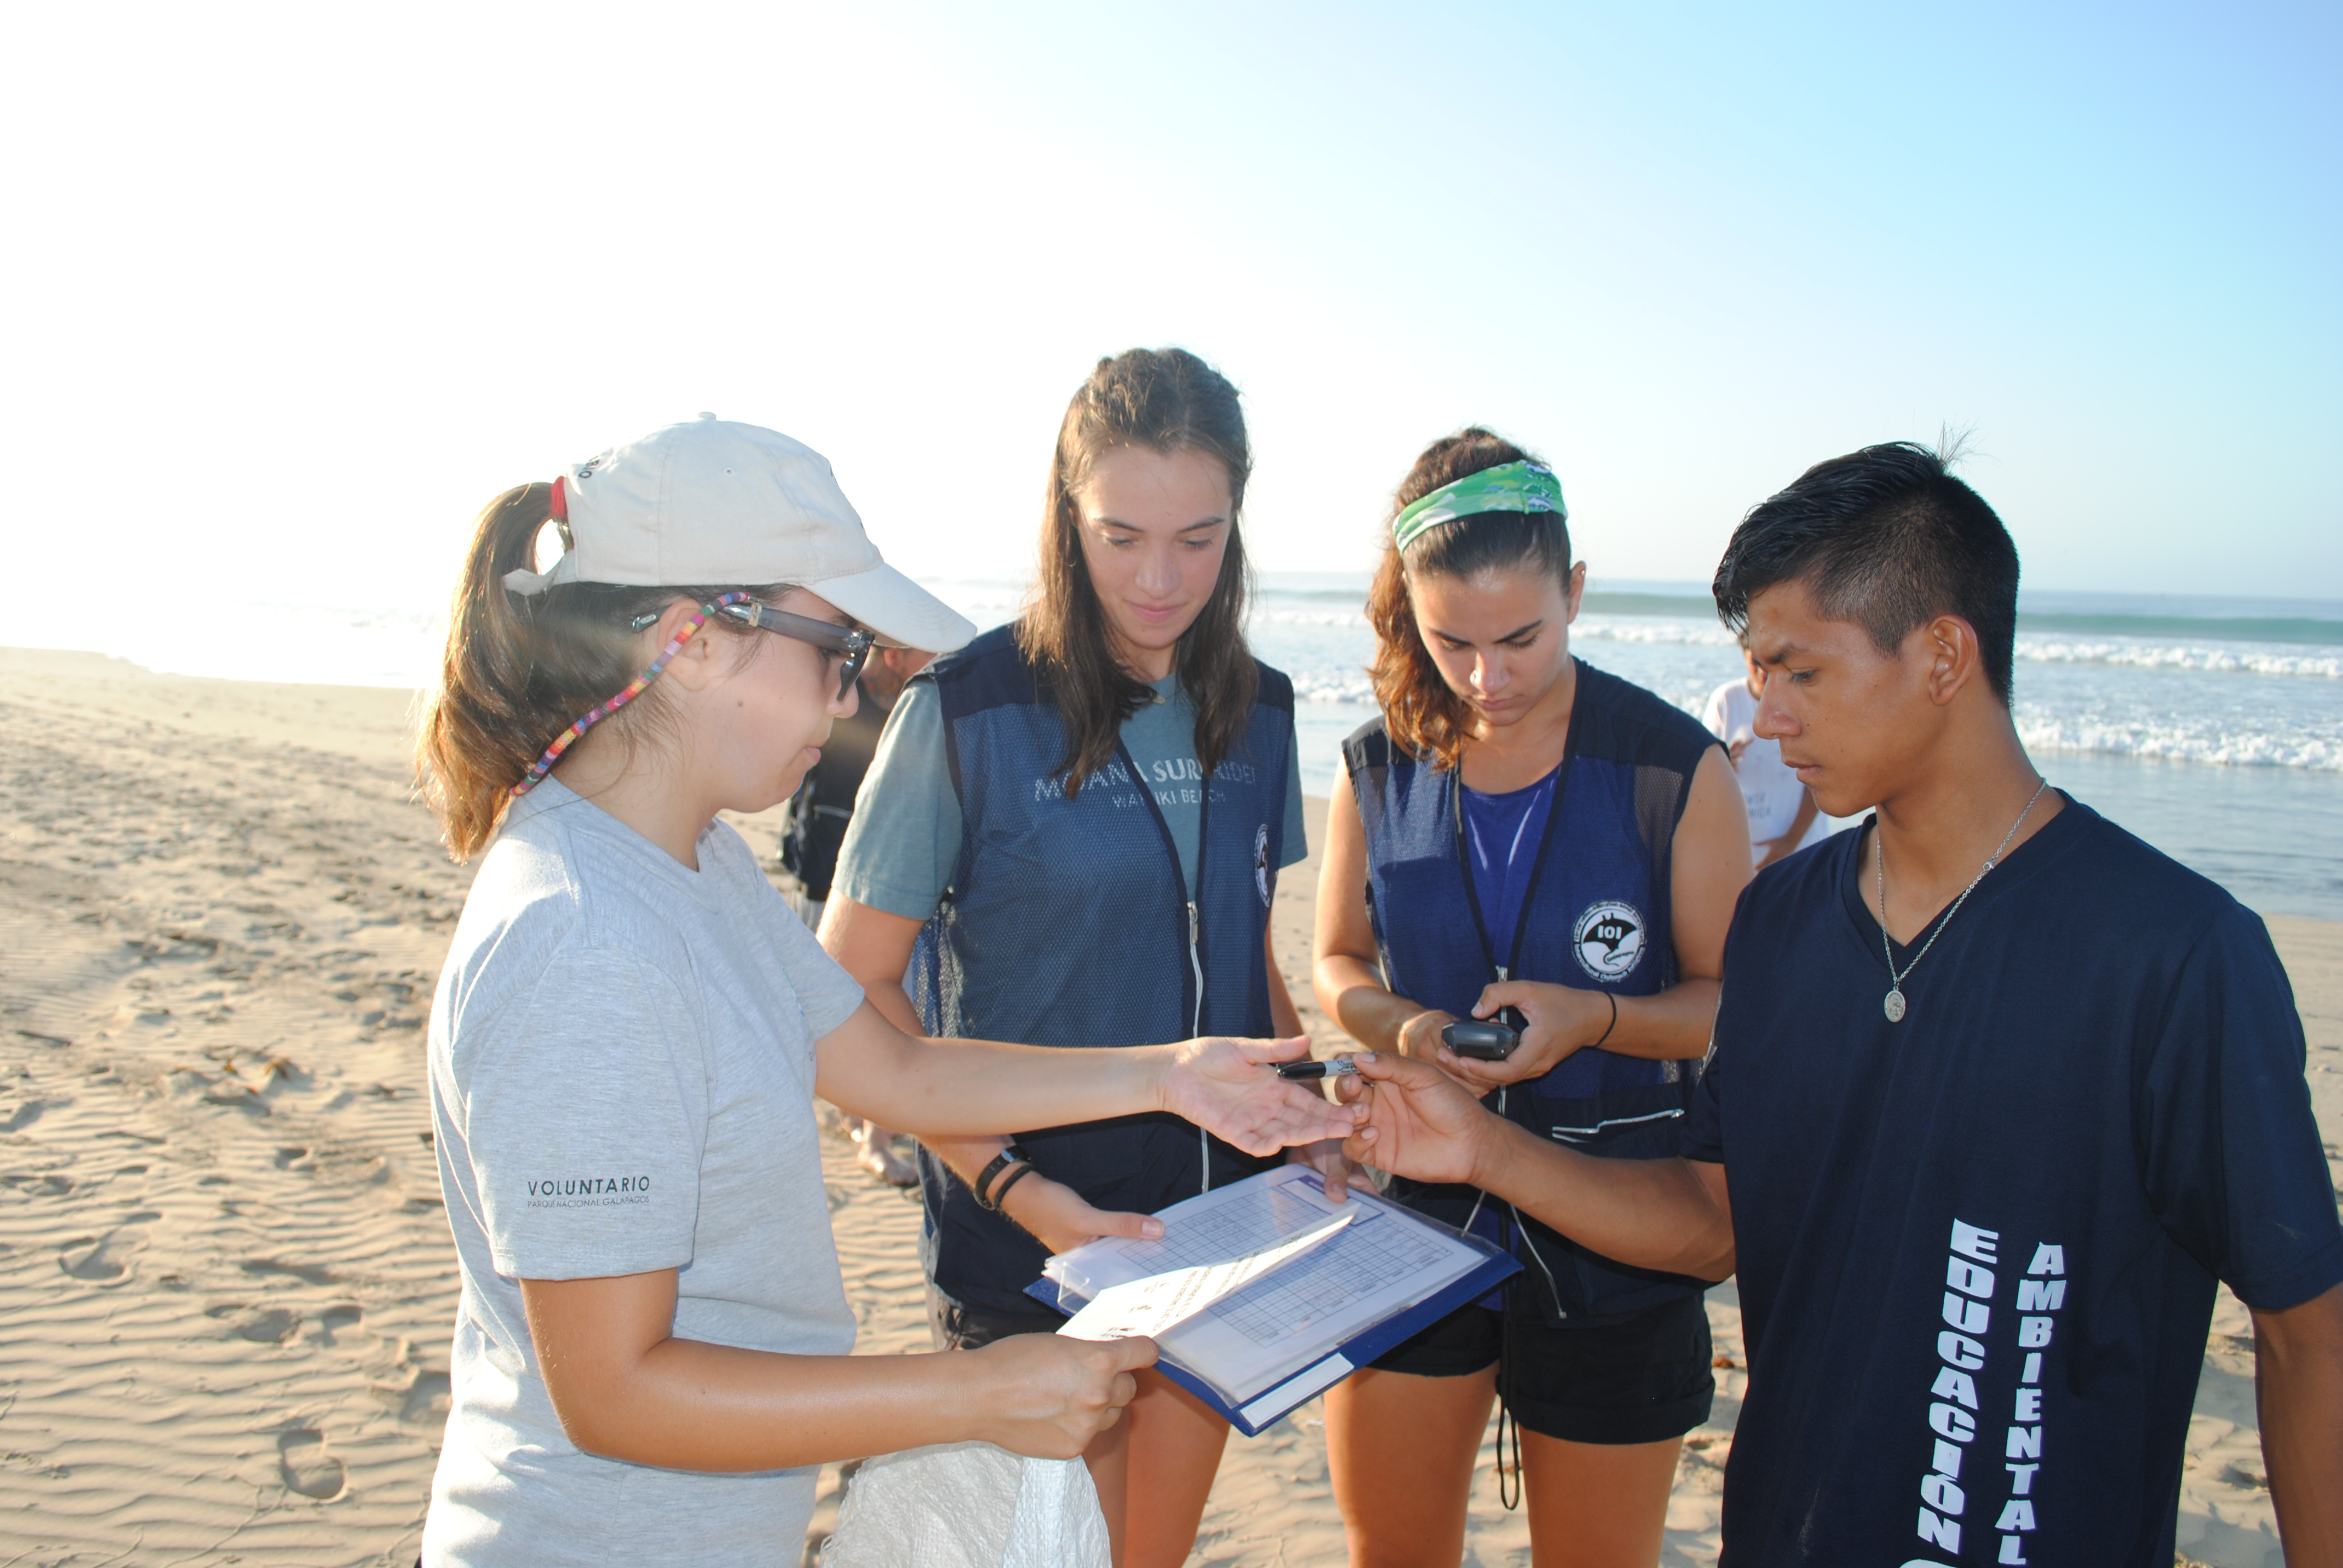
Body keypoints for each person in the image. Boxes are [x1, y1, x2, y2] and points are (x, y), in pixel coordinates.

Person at [1333, 442, 2343, 1567]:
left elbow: (2308, 1334)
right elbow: (1709, 1224)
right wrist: (1480, 1148)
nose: (1765, 720)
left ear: (1943, 655)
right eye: (1757, 673)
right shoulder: (1781, 924)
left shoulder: (2173, 953)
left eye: (1799, 673)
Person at [412, 414, 1352, 1567]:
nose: (850, 699)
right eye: (834, 650)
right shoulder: (583, 937)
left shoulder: (695, 864)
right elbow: (613, 1393)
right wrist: (979, 1392)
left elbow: (896, 1067)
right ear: (691, 639)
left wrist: (1170, 1076)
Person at [820, 348, 1311, 1568]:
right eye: (1120, 536)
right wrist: (1011, 1186)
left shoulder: (1263, 708)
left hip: (1216, 1229)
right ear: (1064, 515)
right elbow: (848, 989)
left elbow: (1242, 944)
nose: (1160, 579)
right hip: (1030, 1244)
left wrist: (1312, 1114)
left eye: (1198, 539)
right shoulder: (967, 709)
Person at [1308, 428, 1753, 1567]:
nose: (1486, 678)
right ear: (1407, 608)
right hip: (1411, 1210)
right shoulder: (1376, 765)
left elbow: (1731, 1001)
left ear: (1577, 593)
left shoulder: (1671, 768)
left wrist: (1596, 1018)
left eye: (1521, 638)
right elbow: (1337, 962)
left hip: (1622, 1226)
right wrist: (1409, 1028)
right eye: (1450, 641)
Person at [779, 644, 934, 1185]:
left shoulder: (912, 704)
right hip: (826, 878)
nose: (937, 663)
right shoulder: (842, 702)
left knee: (874, 1010)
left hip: (883, 889)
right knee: (831, 1010)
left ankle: (871, 1130)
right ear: (894, 655)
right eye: (927, 653)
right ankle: (868, 1130)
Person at [1702, 637, 1827, 868]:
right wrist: (1723, 764)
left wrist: (1789, 843)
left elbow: (1822, 778)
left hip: (1803, 849)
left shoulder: (1807, 701)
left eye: (1771, 662)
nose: (1763, 671)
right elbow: (1701, 780)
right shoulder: (1727, 700)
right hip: (1743, 850)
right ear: (1744, 656)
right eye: (1755, 662)